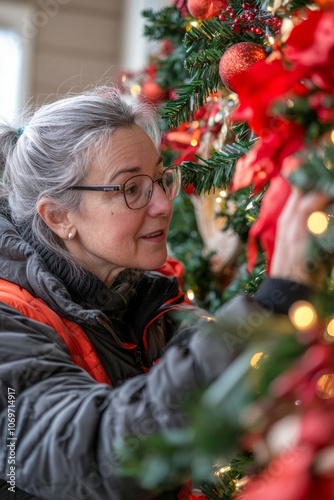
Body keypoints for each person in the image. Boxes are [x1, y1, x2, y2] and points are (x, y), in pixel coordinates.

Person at [0, 86, 329, 500]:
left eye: (158, 179)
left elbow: (212, 391)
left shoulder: (144, 295)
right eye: (131, 189)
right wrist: (269, 306)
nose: (162, 205)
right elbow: (95, 454)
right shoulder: (8, 319)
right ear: (59, 216)